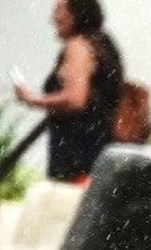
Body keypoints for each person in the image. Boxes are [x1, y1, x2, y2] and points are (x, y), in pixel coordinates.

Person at [12, 0, 124, 183]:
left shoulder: (78, 46)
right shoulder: (103, 44)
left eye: (59, 10)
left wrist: (31, 99)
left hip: (76, 153)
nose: (53, 18)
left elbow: (75, 99)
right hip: (98, 149)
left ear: (77, 13)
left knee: (67, 206)